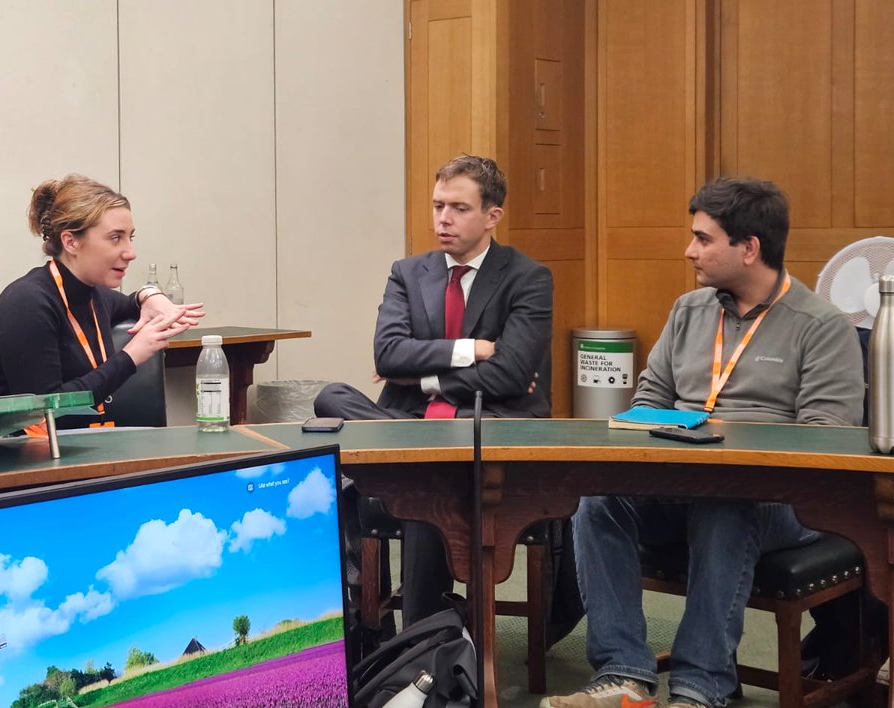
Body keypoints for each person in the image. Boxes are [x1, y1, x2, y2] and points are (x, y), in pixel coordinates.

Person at [542, 177, 865, 708]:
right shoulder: (689, 310)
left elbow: (825, 441)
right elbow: (648, 397)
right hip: (678, 479)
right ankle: (622, 675)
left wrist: (724, 446)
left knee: (726, 504)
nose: (689, 250)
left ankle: (698, 689)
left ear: (749, 248)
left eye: (703, 239)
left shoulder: (819, 326)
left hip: (784, 503)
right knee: (599, 502)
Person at [315, 154, 554, 625]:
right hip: (416, 423)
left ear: (492, 216)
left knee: (423, 479)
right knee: (331, 398)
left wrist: (420, 374)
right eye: (437, 205)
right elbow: (388, 355)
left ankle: (422, 644)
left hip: (482, 426)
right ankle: (426, 641)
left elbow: (509, 377)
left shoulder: (528, 278)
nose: (443, 218)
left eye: (458, 208)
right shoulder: (408, 272)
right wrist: (474, 350)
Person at [0, 175, 201, 426]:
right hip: (13, 457)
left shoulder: (92, 293)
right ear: (71, 242)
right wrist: (132, 355)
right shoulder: (27, 303)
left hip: (77, 449)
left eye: (130, 238)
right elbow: (44, 412)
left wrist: (149, 294)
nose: (131, 253)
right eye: (115, 238)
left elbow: (129, 302)